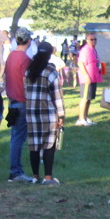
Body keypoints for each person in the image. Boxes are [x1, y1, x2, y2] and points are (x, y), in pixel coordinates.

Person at [24, 42, 64, 185]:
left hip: (31, 112)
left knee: (34, 145)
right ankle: (48, 177)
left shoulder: (29, 71)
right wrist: (61, 115)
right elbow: (57, 96)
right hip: (48, 113)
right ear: (49, 54)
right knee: (49, 144)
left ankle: (35, 176)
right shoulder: (51, 72)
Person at [4, 27, 35, 182]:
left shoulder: (11, 56)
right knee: (18, 138)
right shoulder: (25, 59)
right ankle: (15, 172)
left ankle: (15, 171)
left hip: (12, 100)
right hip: (22, 101)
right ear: (28, 41)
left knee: (15, 137)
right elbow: (26, 81)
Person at [76, 33, 103, 125]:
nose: (94, 41)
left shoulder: (94, 50)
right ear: (87, 40)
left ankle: (85, 117)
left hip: (93, 77)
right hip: (86, 78)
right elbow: (80, 63)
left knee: (89, 98)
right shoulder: (85, 50)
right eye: (91, 39)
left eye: (95, 39)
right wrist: (86, 76)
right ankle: (80, 119)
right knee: (84, 98)